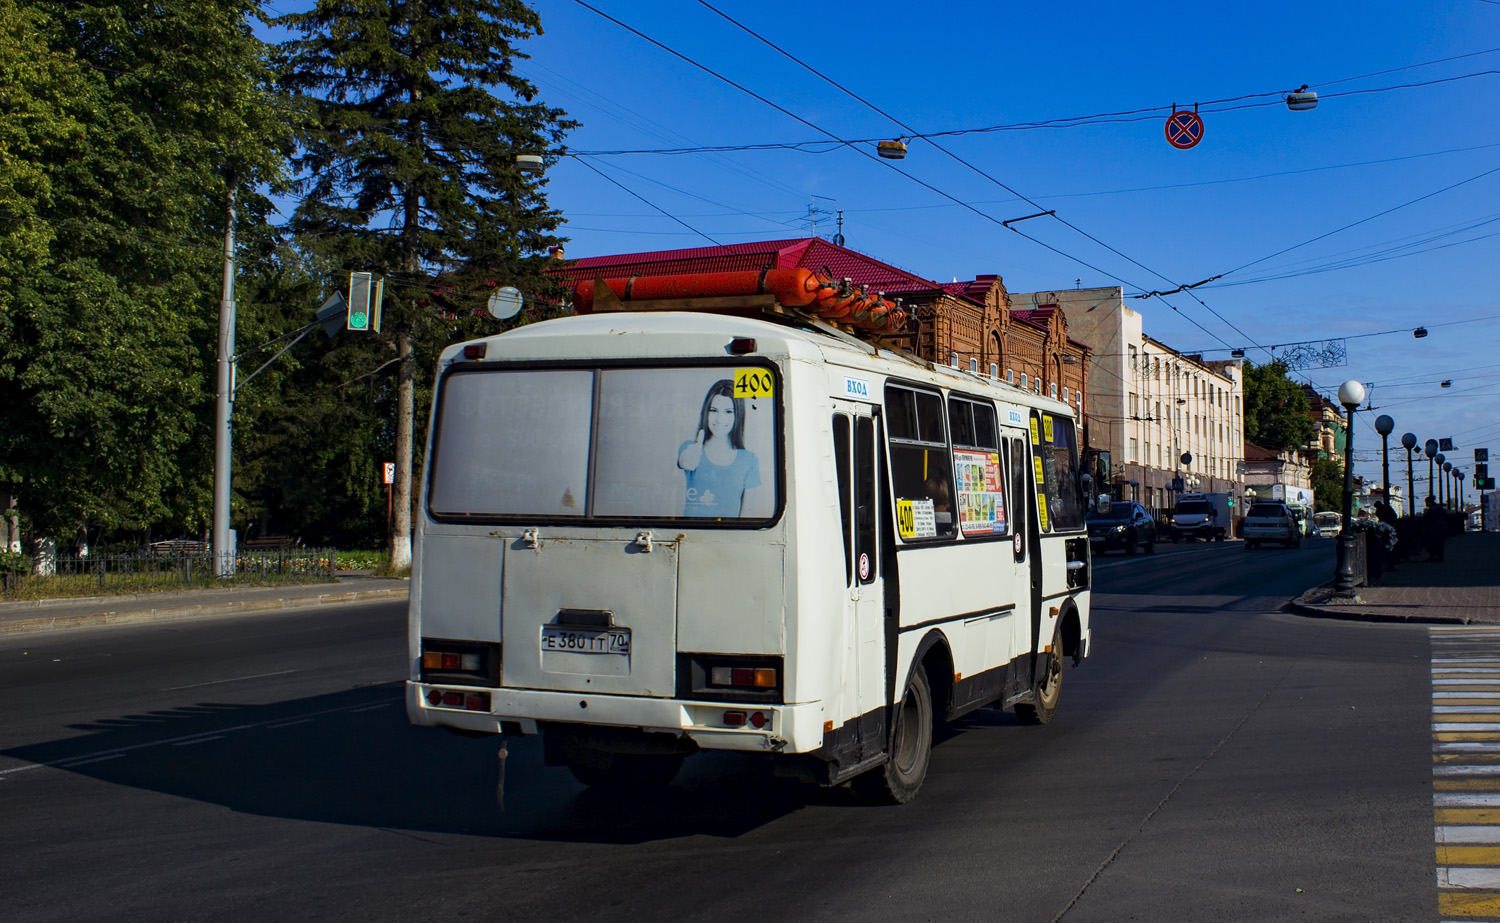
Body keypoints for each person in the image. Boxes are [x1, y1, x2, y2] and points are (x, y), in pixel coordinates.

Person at [677, 380, 761, 517]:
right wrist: (692, 457)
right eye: (714, 410)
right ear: (706, 412)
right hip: (691, 534)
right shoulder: (690, 447)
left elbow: (747, 514)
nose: (720, 419)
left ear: (737, 415)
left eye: (728, 412)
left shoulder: (749, 460)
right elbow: (686, 462)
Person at [1423, 495, 1449, 562]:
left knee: (1433, 543)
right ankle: (1439, 557)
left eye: (1426, 502)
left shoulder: (1432, 509)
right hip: (1442, 528)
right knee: (1439, 543)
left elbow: (1426, 518)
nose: (1426, 504)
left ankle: (1433, 556)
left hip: (1434, 528)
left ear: (1429, 502)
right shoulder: (1439, 507)